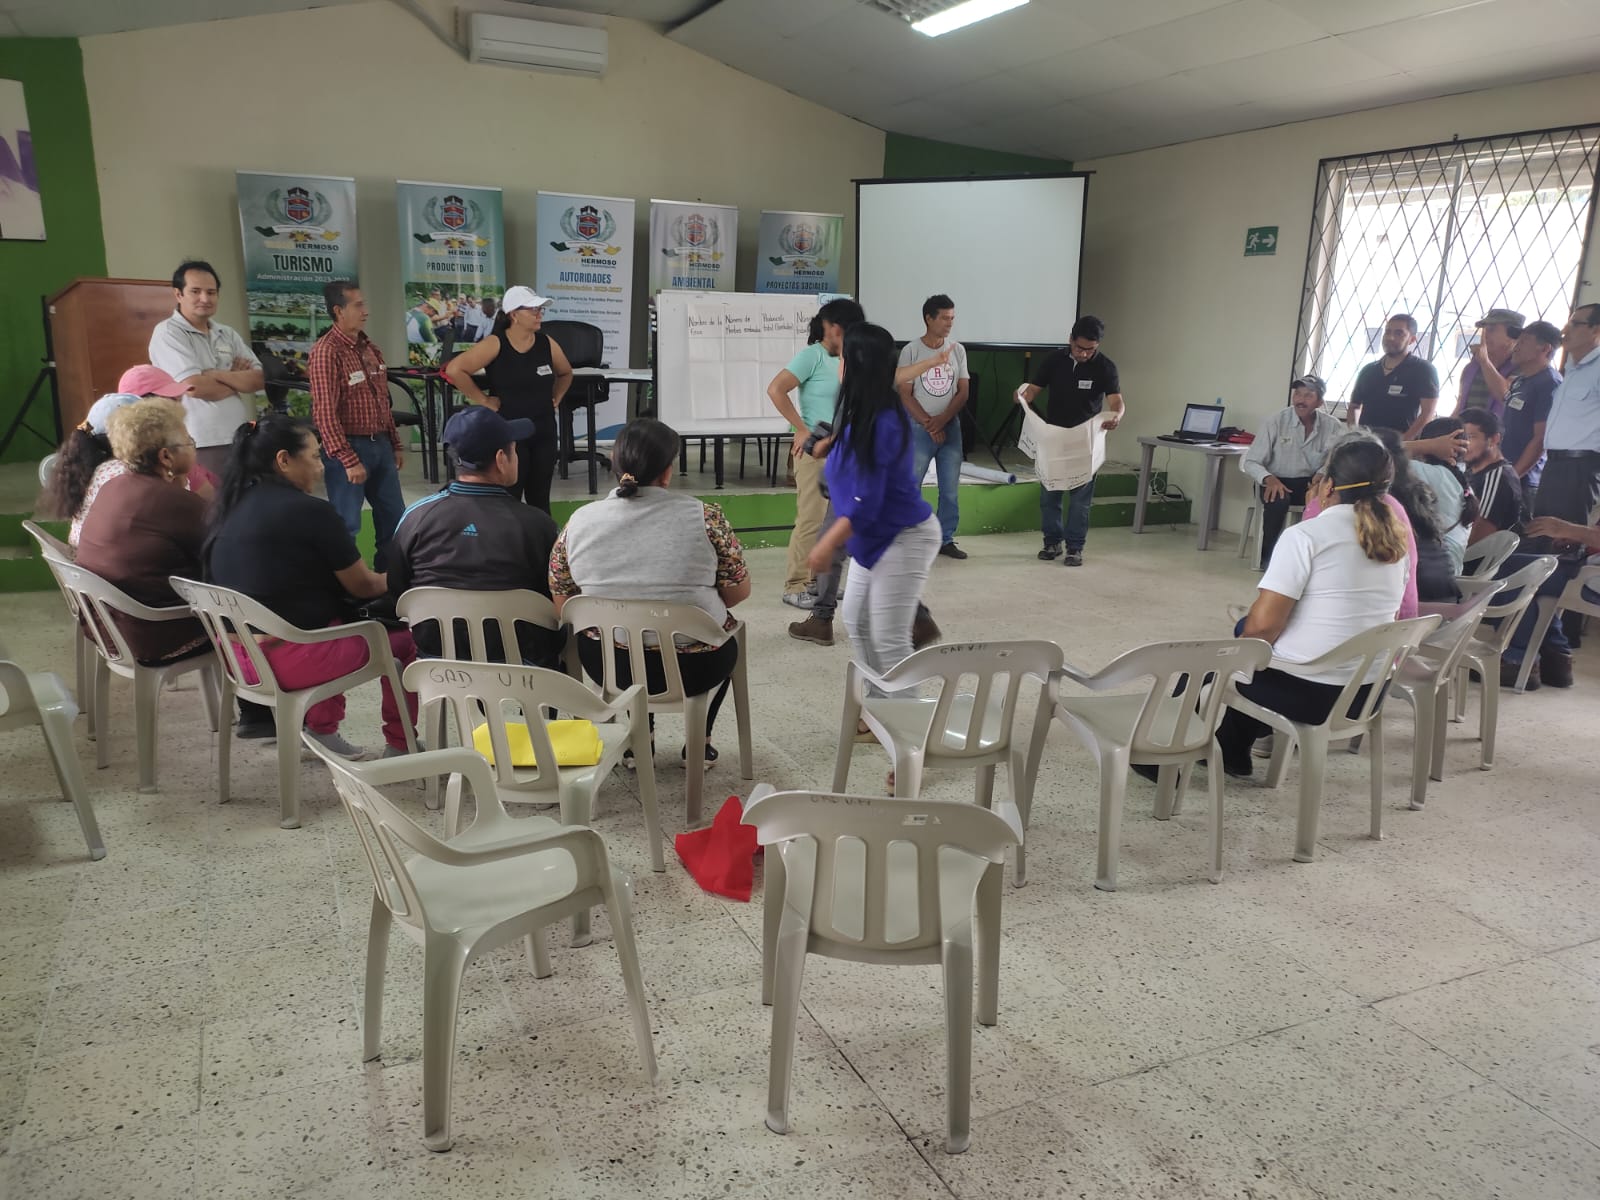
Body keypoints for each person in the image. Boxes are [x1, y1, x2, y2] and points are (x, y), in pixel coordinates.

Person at [205, 414, 419, 760]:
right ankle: (401, 744)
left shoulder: (225, 508)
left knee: (333, 621)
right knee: (409, 640)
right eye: (316, 456)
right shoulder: (311, 512)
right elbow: (364, 586)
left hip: (237, 659)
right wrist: (410, 575)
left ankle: (321, 732)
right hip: (289, 659)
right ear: (284, 460)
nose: (321, 467)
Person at [550, 418, 749, 768]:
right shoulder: (707, 518)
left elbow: (564, 604)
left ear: (616, 465)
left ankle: (641, 739)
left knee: (628, 633)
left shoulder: (579, 522)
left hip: (609, 664)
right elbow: (738, 592)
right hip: (695, 667)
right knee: (723, 633)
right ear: (667, 472)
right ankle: (700, 741)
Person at [1210, 437, 1411, 778]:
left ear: (1327, 485)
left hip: (1312, 696)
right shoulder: (1395, 540)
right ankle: (1232, 748)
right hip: (1368, 693)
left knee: (1212, 663)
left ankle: (1164, 756)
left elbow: (1262, 629)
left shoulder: (1306, 536)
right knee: (1259, 641)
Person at [809, 323, 940, 693]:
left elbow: (868, 500)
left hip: (903, 537)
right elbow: (856, 459)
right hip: (873, 538)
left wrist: (825, 544)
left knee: (890, 638)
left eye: (841, 357)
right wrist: (827, 446)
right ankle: (878, 706)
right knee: (858, 621)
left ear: (856, 364)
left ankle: (905, 719)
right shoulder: (862, 413)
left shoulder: (885, 421)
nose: (838, 365)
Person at [387, 406, 561, 668]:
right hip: (523, 665)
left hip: (437, 661)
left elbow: (398, 590)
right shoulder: (539, 525)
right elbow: (553, 600)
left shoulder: (415, 517)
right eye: (515, 450)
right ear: (501, 459)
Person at [74, 400, 210, 665]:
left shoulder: (113, 486)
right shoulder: (175, 501)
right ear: (166, 457)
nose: (193, 447)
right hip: (151, 635)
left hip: (105, 625)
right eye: (189, 442)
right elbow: (222, 551)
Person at [767, 297, 865, 610]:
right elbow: (776, 389)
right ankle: (795, 585)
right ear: (836, 327)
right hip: (814, 451)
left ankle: (818, 581)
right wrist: (801, 428)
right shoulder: (814, 355)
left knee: (833, 520)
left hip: (843, 450)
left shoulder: (852, 358)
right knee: (811, 519)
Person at [442, 286, 573, 513]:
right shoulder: (496, 343)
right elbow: (455, 370)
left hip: (544, 430)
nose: (539, 314)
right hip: (510, 433)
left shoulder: (546, 343)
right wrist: (484, 400)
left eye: (540, 309)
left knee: (540, 496)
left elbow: (566, 373)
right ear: (514, 314)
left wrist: (557, 397)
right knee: (509, 496)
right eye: (532, 310)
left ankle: (542, 535)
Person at [307, 280, 406, 571]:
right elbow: (325, 412)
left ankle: (389, 579)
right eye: (358, 305)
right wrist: (347, 459)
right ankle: (346, 586)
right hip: (349, 447)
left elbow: (382, 401)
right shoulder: (326, 351)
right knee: (347, 524)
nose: (366, 311)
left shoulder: (370, 348)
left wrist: (395, 442)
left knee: (395, 518)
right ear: (338, 310)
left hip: (380, 444)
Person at [1019, 314, 1125, 567]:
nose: (1084, 354)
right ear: (1070, 340)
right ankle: (1052, 542)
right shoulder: (1054, 360)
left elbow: (1116, 401)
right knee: (1049, 496)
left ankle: (1075, 548)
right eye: (1079, 348)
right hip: (1054, 438)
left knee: (1080, 501)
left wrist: (1117, 416)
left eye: (1090, 349)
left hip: (1085, 441)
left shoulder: (1105, 367)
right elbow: (1033, 389)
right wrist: (1022, 396)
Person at [148, 260, 264, 477]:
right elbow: (194, 387)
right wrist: (235, 378)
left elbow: (258, 379)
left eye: (211, 292)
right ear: (178, 294)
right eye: (195, 291)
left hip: (239, 436)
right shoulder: (168, 333)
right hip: (199, 440)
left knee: (242, 496)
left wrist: (217, 375)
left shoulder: (227, 333)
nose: (205, 298)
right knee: (212, 497)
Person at [1239, 374, 1344, 567]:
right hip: (1274, 480)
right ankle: (1269, 560)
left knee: (1334, 499)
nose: (1300, 400)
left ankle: (1315, 559)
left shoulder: (1333, 426)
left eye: (1308, 395)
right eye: (1297, 394)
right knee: (1278, 499)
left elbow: (1335, 459)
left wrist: (1322, 473)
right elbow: (1251, 461)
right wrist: (1269, 479)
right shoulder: (1275, 421)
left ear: (1320, 402)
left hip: (1309, 482)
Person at [898, 294, 970, 560]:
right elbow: (905, 393)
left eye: (952, 318)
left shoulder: (957, 350)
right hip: (919, 428)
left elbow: (963, 391)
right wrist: (929, 424)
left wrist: (943, 420)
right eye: (944, 318)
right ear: (929, 319)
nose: (950, 323)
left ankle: (945, 539)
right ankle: (909, 539)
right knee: (912, 486)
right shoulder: (911, 351)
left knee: (949, 490)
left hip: (950, 427)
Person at [1497, 512, 1598, 690]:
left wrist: (1566, 529)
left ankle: (1517, 660)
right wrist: (1578, 538)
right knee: (1532, 569)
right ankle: (1556, 656)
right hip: (1588, 567)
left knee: (1514, 568)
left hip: (1592, 578)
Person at [1531, 303, 1600, 528]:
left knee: (1565, 539)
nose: (1564, 330)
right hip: (1554, 465)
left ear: (1596, 330)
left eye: (1575, 324)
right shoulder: (1572, 369)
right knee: (1542, 534)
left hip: (1580, 468)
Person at [1501, 319, 1562, 512]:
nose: (1516, 346)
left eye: (1524, 341)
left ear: (1545, 348)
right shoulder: (1521, 381)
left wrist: (1514, 476)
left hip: (1525, 479)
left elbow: (1541, 438)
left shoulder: (1549, 384)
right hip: (1505, 470)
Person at [1347, 313, 1440, 438]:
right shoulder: (1368, 370)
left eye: (1399, 333)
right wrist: (1354, 435)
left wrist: (1402, 443)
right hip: (1366, 444)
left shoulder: (1423, 370)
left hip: (1401, 445)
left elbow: (1427, 414)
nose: (1390, 337)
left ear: (1412, 339)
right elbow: (1354, 407)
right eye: (1387, 332)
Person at [1408, 416, 1479, 576]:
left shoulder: (1429, 473)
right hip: (1450, 573)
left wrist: (1426, 446)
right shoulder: (1462, 482)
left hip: (1430, 577)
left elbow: (1376, 455)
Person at [1459, 407, 1523, 541]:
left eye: (1470, 437)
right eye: (1461, 437)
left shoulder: (1498, 477)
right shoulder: (1470, 471)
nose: (1464, 444)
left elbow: (1479, 538)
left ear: (1494, 439)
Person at [1457, 308, 1522, 415]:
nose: (1485, 335)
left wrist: (1485, 362)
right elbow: (1460, 405)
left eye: (1492, 330)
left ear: (1511, 337)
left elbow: (1505, 396)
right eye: (1485, 330)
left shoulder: (1522, 369)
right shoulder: (1472, 368)